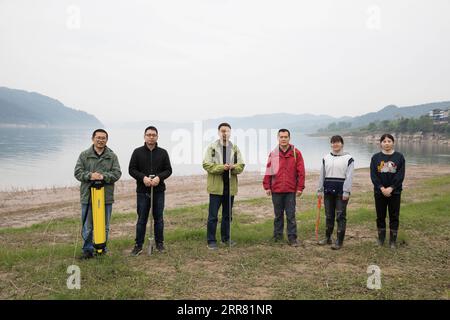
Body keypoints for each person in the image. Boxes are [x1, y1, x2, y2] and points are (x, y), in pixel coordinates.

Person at [74, 129, 122, 259]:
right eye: (98, 138)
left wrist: (103, 176)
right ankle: (87, 250)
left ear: (107, 140)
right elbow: (77, 173)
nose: (101, 140)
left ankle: (102, 248)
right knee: (88, 226)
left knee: (104, 226)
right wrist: (90, 175)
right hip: (88, 196)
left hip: (106, 197)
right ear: (93, 139)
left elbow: (117, 173)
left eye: (103, 138)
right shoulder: (84, 155)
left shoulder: (112, 156)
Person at [129, 126, 172, 256]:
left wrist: (159, 177)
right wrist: (143, 178)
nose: (151, 137)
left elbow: (168, 170)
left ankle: (159, 244)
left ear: (157, 137)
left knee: (158, 218)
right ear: (144, 136)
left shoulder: (163, 152)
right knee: (142, 218)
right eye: (148, 134)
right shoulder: (137, 152)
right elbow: (132, 169)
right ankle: (138, 245)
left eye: (153, 135)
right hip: (142, 191)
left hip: (158, 191)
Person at [202, 123, 245, 250]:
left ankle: (226, 238)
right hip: (216, 188)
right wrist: (222, 167)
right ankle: (211, 241)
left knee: (227, 216)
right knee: (213, 216)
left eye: (227, 131)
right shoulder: (212, 148)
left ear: (230, 132)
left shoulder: (235, 148)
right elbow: (206, 165)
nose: (224, 133)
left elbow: (241, 165)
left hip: (230, 188)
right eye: (222, 131)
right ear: (218, 132)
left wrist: (233, 167)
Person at [263, 129, 305, 247]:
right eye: (281, 137)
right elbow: (268, 171)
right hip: (276, 190)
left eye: (285, 137)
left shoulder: (296, 153)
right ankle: (278, 237)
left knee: (291, 215)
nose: (283, 139)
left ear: (289, 138)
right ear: (278, 138)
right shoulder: (273, 153)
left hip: (291, 190)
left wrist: (300, 188)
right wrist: (267, 186)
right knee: (278, 215)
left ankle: (292, 238)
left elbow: (301, 172)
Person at [317, 135, 354, 250]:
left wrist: (346, 191)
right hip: (328, 191)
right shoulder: (326, 157)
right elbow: (322, 175)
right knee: (329, 216)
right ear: (331, 144)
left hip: (341, 192)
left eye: (337, 142)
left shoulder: (349, 158)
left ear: (342, 144)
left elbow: (349, 177)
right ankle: (327, 238)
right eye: (333, 142)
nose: (335, 144)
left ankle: (339, 241)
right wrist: (320, 189)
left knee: (340, 216)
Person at [370, 133, 405, 249]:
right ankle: (381, 239)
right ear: (380, 143)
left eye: (389, 141)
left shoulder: (399, 157)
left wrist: (391, 188)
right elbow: (373, 175)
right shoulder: (375, 158)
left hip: (394, 192)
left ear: (393, 143)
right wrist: (381, 187)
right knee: (380, 216)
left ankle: (392, 241)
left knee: (394, 216)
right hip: (379, 192)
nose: (387, 143)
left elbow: (400, 175)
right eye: (384, 141)